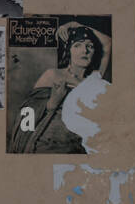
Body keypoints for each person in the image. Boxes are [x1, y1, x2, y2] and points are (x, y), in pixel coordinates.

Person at [8, 22, 108, 153]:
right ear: (69, 51)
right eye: (77, 45)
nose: (85, 50)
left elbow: (107, 42)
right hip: (50, 141)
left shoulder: (94, 79)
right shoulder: (53, 75)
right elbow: (28, 112)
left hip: (81, 143)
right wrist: (51, 103)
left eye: (89, 46)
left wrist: (73, 24)